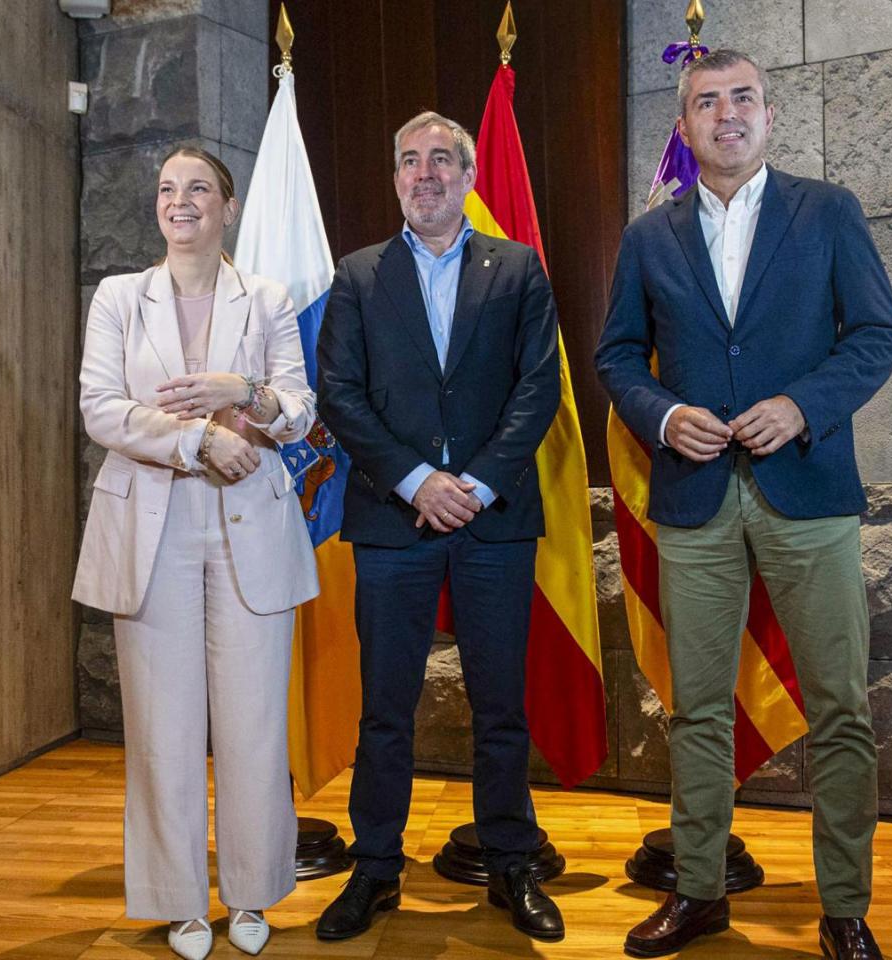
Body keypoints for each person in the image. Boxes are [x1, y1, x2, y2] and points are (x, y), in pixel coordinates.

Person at [594, 49, 892, 960]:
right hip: (692, 501)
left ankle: (845, 907)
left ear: (767, 116)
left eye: (742, 99)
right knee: (697, 709)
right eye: (705, 102)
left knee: (840, 706)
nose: (725, 114)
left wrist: (803, 404)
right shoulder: (651, 236)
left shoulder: (828, 211)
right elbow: (617, 356)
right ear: (685, 127)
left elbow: (879, 335)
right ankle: (699, 893)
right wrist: (664, 412)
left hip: (806, 491)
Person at [312, 111, 565, 943]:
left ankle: (511, 863)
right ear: (395, 179)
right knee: (386, 708)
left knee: (501, 707)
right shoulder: (356, 276)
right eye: (409, 161)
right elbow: (340, 394)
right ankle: (376, 870)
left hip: (494, 522)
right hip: (393, 520)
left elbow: (537, 389)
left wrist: (479, 484)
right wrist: (420, 482)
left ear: (467, 176)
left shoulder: (519, 268)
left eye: (442, 161)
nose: (425, 174)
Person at [72, 146, 319, 960]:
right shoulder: (117, 298)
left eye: (199, 189)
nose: (181, 203)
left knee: (253, 726)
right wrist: (201, 438)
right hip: (150, 528)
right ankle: (178, 901)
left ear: (230, 206)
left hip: (253, 522)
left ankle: (252, 894)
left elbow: (295, 412)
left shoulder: (270, 299)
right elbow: (101, 410)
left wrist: (239, 393)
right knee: (161, 727)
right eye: (168, 190)